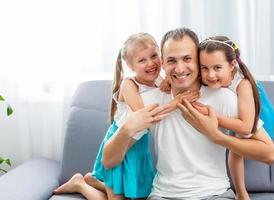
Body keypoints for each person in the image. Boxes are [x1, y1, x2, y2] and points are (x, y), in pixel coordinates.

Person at [102, 28, 274, 200]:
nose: (179, 69)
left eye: (187, 59)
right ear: (162, 63)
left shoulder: (223, 98)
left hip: (216, 194)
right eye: (171, 60)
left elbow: (269, 154)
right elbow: (108, 161)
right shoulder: (148, 103)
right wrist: (126, 129)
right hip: (163, 195)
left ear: (198, 61)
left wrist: (217, 136)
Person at [53, 32, 198, 200]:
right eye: (142, 60)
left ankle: (94, 181)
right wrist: (176, 102)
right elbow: (143, 115)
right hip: (121, 142)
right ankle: (79, 183)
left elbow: (165, 87)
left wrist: (166, 82)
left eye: (153, 56)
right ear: (131, 66)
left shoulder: (159, 81)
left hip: (139, 143)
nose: (150, 63)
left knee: (135, 194)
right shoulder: (128, 84)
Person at [196, 36, 274, 200]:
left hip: (254, 112)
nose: (210, 74)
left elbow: (246, 127)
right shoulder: (206, 77)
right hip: (235, 112)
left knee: (237, 148)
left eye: (217, 68)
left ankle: (241, 192)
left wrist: (211, 115)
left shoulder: (244, 84)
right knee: (235, 145)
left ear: (232, 64)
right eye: (204, 68)